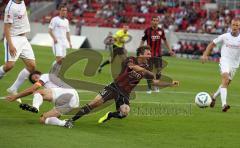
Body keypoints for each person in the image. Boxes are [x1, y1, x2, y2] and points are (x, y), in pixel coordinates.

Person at [64, 46, 178, 128]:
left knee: (124, 113)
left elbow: (154, 82)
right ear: (141, 54)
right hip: (114, 87)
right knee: (94, 103)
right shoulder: (131, 59)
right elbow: (132, 67)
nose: (150, 55)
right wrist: (147, 71)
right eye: (148, 53)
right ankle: (70, 120)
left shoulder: (148, 66)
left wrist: (170, 84)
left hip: (125, 94)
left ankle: (110, 115)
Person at [6, 71, 80, 127]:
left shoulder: (45, 76)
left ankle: (35, 107)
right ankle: (65, 123)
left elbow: (31, 90)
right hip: (72, 103)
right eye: (34, 80)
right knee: (43, 119)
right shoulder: (49, 87)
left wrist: (16, 96)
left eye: (35, 76)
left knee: (37, 92)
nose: (35, 79)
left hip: (68, 93)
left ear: (39, 74)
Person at [0, 0, 36, 103]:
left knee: (32, 66)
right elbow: (6, 28)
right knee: (9, 66)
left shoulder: (22, 2)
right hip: (13, 38)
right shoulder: (10, 7)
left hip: (23, 39)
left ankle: (13, 88)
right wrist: (11, 45)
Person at [201, 18, 240, 112]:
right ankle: (224, 105)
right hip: (225, 61)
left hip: (235, 64)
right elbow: (212, 44)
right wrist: (205, 55)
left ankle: (213, 97)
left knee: (226, 84)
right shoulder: (225, 36)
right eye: (233, 25)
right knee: (225, 79)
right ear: (231, 25)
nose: (235, 27)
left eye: (237, 25)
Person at [139, 16, 175, 94]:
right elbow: (143, 40)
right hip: (149, 55)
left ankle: (156, 86)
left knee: (158, 71)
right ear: (151, 21)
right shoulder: (147, 31)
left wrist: (170, 50)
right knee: (149, 71)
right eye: (154, 20)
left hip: (158, 54)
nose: (155, 22)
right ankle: (149, 88)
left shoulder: (161, 31)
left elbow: (165, 41)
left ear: (158, 22)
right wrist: (140, 49)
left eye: (157, 20)